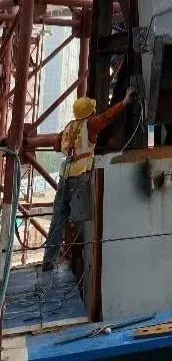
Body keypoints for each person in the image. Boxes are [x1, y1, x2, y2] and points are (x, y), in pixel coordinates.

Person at [41, 89, 135, 271]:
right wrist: (125, 102)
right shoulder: (89, 125)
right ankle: (82, 257)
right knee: (83, 217)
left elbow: (57, 145)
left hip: (64, 175)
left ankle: (49, 260)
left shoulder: (69, 127)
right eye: (92, 109)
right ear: (89, 112)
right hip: (80, 175)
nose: (95, 111)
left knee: (58, 218)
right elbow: (107, 117)